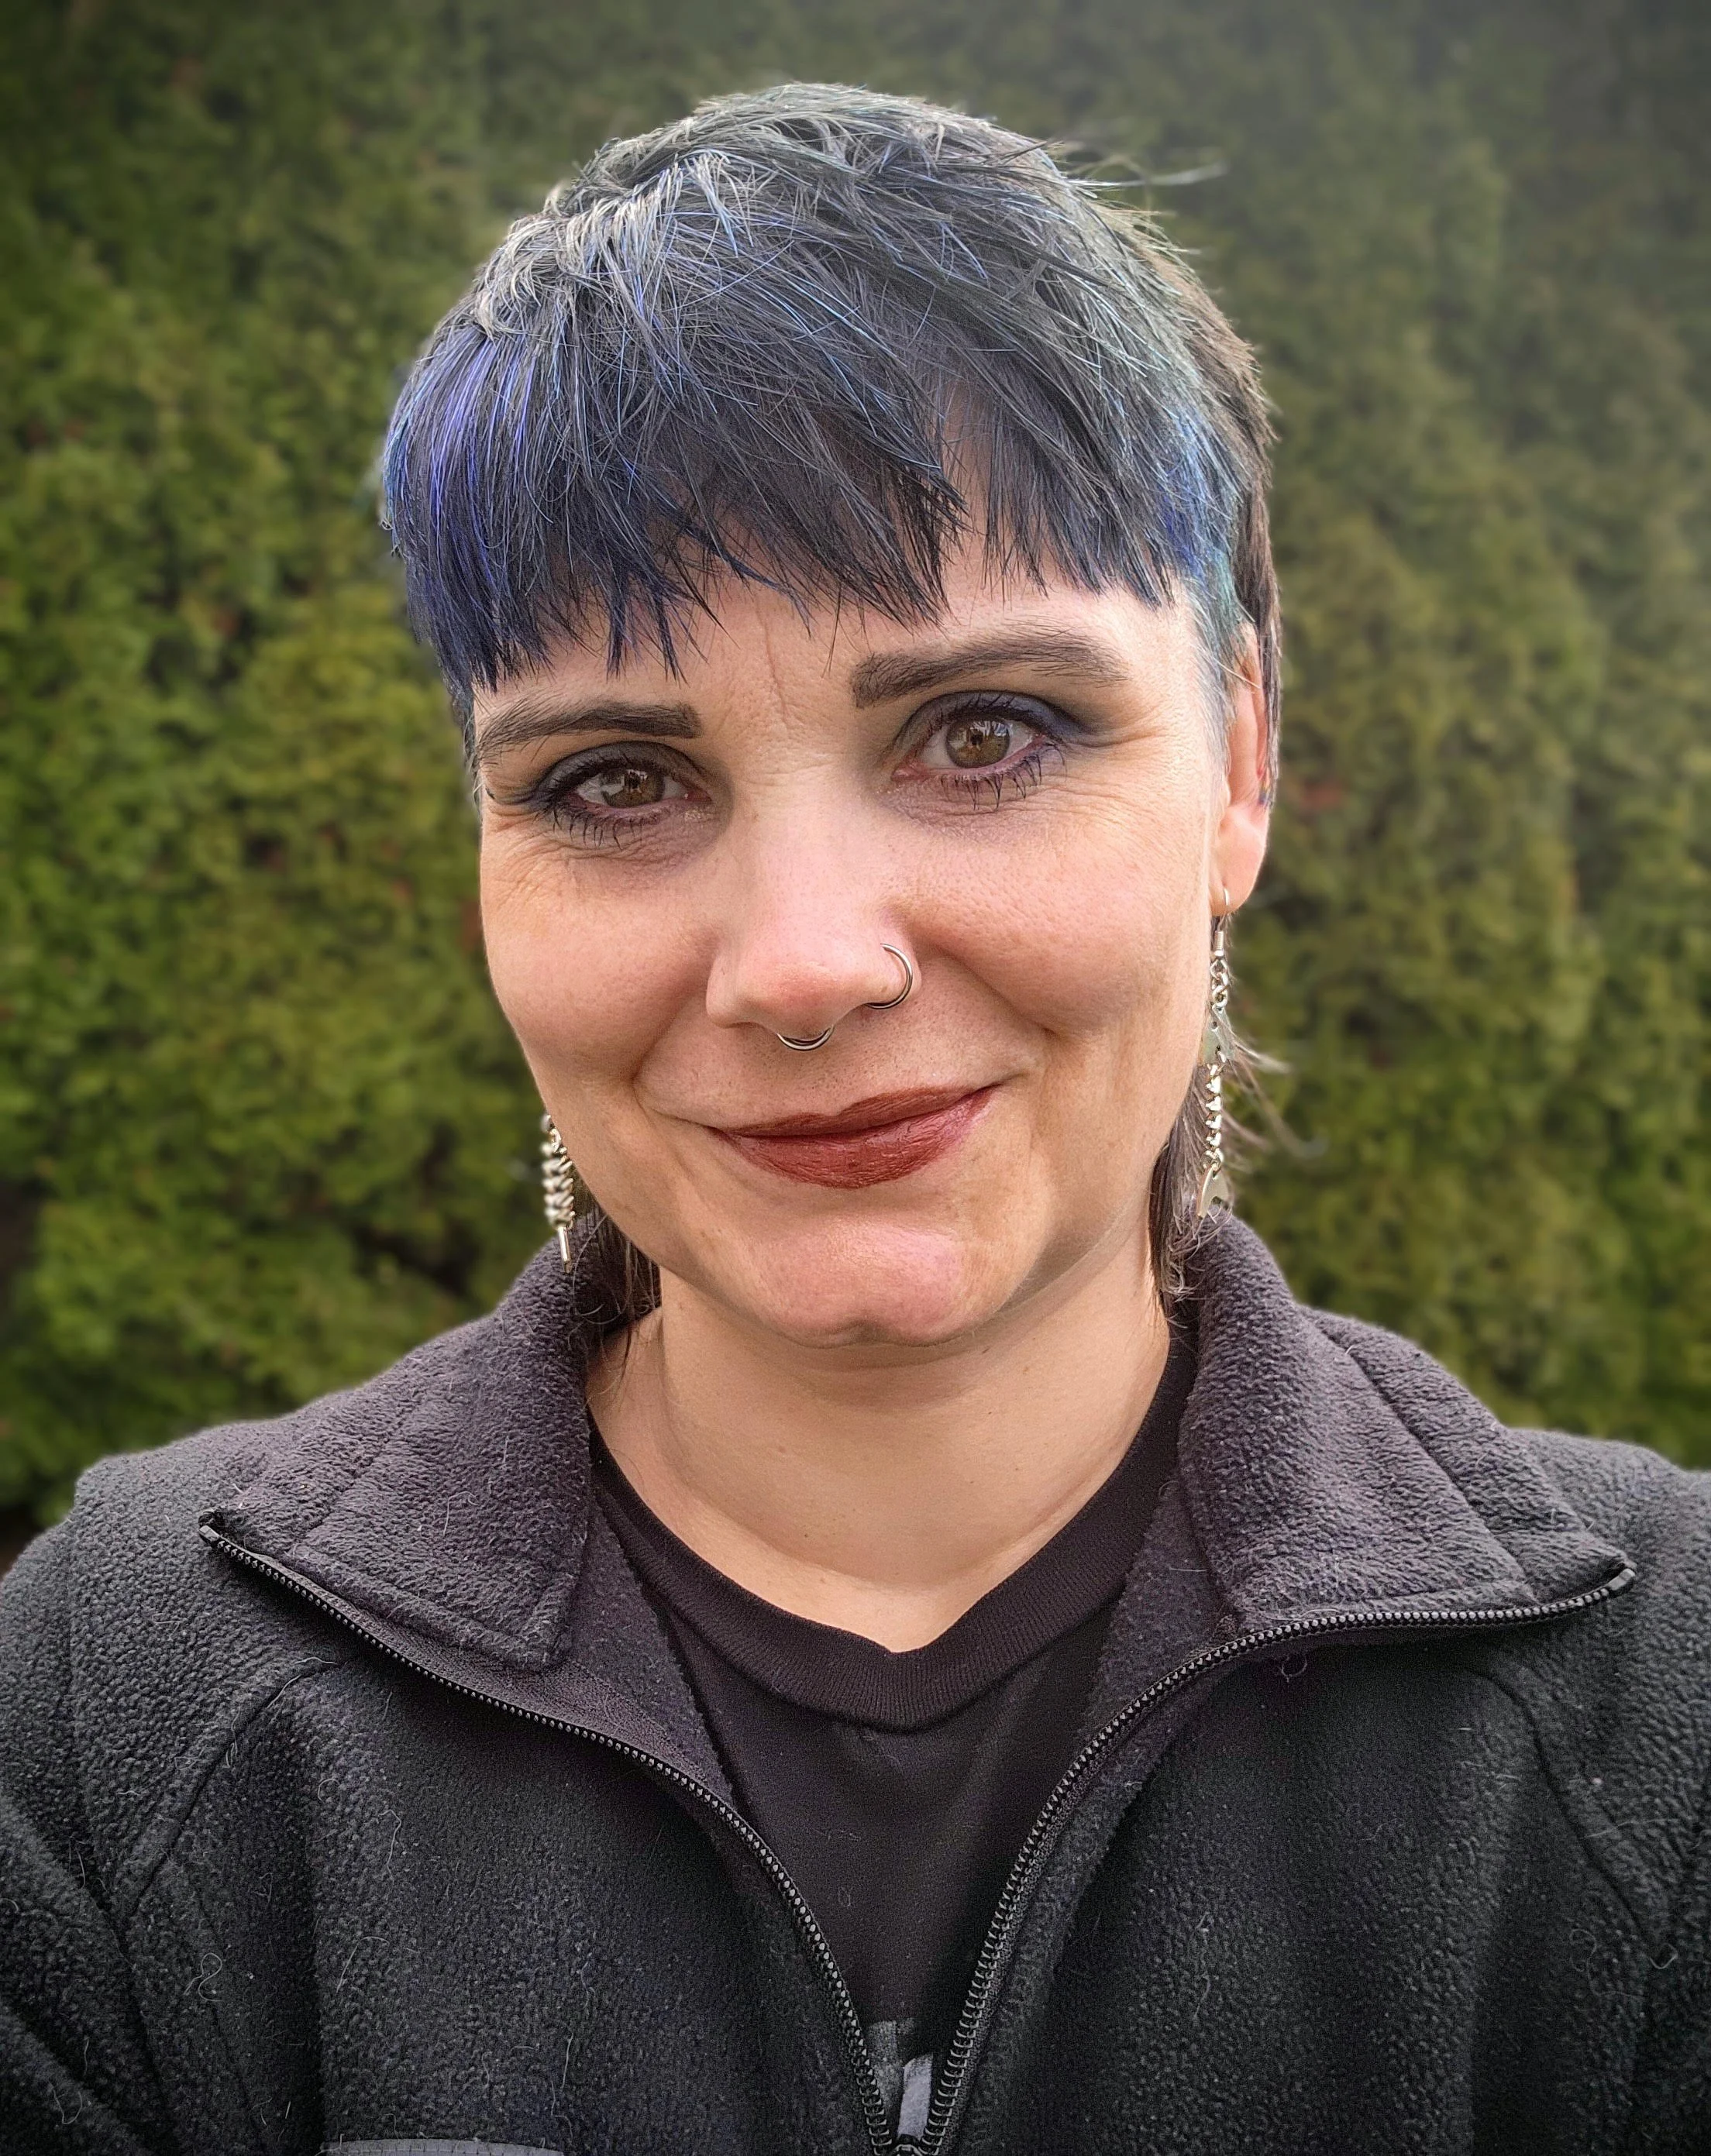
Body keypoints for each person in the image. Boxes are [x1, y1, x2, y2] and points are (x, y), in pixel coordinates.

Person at [2, 82, 1707, 2156]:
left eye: (986, 731)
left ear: (1241, 759)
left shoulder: (1663, 1720)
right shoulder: (112, 1710)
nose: (802, 964)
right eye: (615, 780)